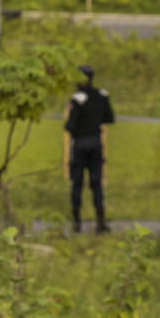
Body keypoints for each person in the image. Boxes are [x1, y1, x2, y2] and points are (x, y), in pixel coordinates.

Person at [63, 64, 115, 234]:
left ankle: (77, 223)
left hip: (79, 145)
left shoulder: (77, 98)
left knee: (77, 183)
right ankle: (100, 222)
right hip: (96, 143)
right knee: (96, 184)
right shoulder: (102, 95)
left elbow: (70, 125)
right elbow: (109, 118)